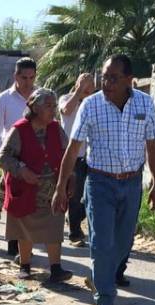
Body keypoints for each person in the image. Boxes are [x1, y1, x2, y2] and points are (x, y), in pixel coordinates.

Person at [54, 54, 155, 305]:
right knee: (102, 242)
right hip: (99, 181)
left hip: (131, 182)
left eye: (114, 77)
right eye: (104, 76)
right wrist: (60, 186)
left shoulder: (145, 103)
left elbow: (154, 146)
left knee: (124, 243)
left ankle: (99, 275)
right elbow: (73, 148)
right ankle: (106, 300)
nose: (107, 82)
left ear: (129, 80)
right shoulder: (90, 105)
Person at [0, 88, 74, 284]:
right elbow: (2, 157)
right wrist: (21, 170)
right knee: (24, 229)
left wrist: (70, 178)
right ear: (35, 108)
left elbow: (67, 154)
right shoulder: (20, 130)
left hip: (52, 192)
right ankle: (25, 266)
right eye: (48, 106)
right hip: (27, 191)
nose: (53, 110)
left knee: (54, 228)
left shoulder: (56, 129)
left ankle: (56, 269)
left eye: (54, 106)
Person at [0, 58, 38, 254]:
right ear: (15, 76)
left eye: (32, 77)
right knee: (14, 201)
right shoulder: (4, 99)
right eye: (24, 77)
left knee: (34, 203)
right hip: (12, 158)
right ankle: (14, 245)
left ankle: (28, 245)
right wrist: (3, 159)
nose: (28, 82)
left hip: (35, 157)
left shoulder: (40, 96)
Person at [59, 72, 96, 247]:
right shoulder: (66, 98)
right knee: (72, 195)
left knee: (85, 196)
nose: (88, 91)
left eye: (91, 87)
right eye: (85, 86)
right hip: (69, 155)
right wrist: (79, 91)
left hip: (88, 156)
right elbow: (66, 110)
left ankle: (74, 225)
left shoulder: (93, 104)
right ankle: (73, 232)